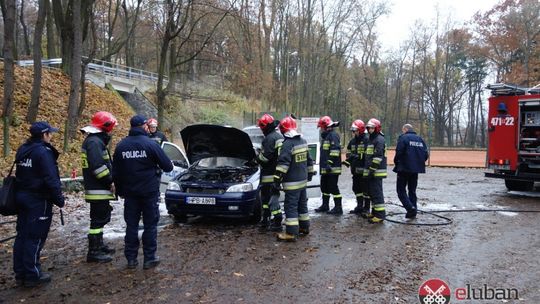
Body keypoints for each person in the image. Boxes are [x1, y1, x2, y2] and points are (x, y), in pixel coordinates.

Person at [112, 115, 173, 269]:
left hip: (130, 194)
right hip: (149, 193)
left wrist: (120, 191)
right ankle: (149, 258)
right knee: (150, 225)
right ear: (144, 126)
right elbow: (168, 166)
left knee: (131, 226)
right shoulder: (150, 145)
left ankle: (131, 259)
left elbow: (116, 173)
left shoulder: (121, 146)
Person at [13, 121, 65, 287]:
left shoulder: (23, 149)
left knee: (22, 235)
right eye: (50, 133)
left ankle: (20, 272)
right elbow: (51, 178)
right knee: (35, 237)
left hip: (21, 196)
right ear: (44, 135)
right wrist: (59, 199)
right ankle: (32, 274)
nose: (51, 136)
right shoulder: (43, 152)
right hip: (38, 199)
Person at [80, 111, 118, 263]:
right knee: (97, 220)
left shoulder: (94, 140)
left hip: (97, 188)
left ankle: (99, 245)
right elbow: (98, 167)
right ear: (107, 126)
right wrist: (110, 181)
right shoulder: (95, 142)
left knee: (100, 218)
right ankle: (94, 251)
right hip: (98, 188)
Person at [274, 115, 314, 241]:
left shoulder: (287, 144)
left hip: (291, 183)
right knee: (302, 205)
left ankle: (291, 233)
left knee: (290, 207)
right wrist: (310, 174)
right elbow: (309, 160)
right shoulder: (303, 141)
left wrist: (276, 178)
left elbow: (283, 165)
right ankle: (304, 227)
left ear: (283, 130)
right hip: (302, 181)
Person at [393, 124, 429, 219]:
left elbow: (398, 153)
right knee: (412, 191)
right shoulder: (420, 139)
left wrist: (397, 163)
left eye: (403, 130)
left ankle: (410, 208)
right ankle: (413, 211)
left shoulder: (403, 138)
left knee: (401, 191)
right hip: (415, 169)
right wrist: (418, 163)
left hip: (404, 168)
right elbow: (425, 154)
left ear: (405, 129)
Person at [255, 114, 284, 231]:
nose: (261, 130)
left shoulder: (269, 139)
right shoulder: (278, 136)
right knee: (273, 198)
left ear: (266, 127)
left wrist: (257, 157)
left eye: (262, 127)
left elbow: (265, 159)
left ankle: (275, 221)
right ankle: (268, 220)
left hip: (269, 175)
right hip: (278, 173)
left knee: (267, 200)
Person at [315, 116, 343, 215]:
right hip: (326, 168)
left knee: (333, 187)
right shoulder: (327, 136)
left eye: (322, 127)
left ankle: (338, 207)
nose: (321, 129)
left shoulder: (333, 135)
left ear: (326, 126)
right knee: (325, 187)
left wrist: (329, 163)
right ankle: (325, 205)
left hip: (332, 168)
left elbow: (335, 151)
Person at [342, 120, 370, 215]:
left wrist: (358, 156)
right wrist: (349, 158)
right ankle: (359, 206)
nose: (354, 133)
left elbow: (368, 155)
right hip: (355, 170)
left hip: (363, 170)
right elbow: (349, 151)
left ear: (361, 130)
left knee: (365, 190)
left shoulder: (367, 140)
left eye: (355, 131)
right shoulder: (353, 141)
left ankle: (366, 208)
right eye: (353, 131)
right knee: (356, 188)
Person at [363, 118, 387, 223]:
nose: (369, 130)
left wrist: (371, 170)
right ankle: (374, 212)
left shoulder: (379, 140)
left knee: (377, 194)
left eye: (372, 128)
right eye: (368, 128)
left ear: (376, 128)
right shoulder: (371, 139)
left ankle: (380, 215)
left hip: (376, 172)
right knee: (372, 193)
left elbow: (378, 157)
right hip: (371, 171)